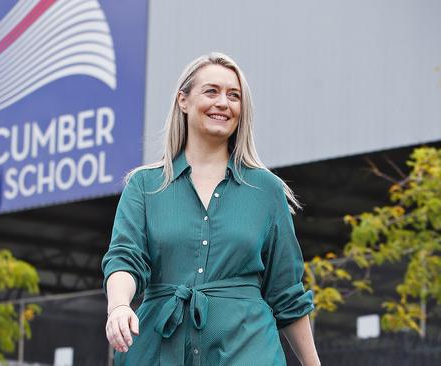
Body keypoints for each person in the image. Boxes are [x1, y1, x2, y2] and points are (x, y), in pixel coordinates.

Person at [101, 52, 320, 365]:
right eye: (211, 91)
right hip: (159, 351)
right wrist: (119, 306)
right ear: (183, 101)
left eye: (234, 95)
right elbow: (125, 257)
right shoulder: (144, 186)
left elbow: (286, 292)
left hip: (249, 350)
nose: (223, 102)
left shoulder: (266, 191)